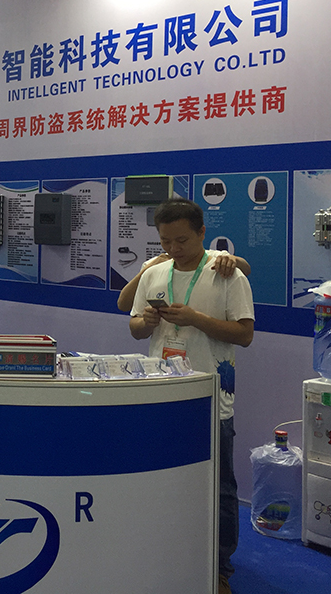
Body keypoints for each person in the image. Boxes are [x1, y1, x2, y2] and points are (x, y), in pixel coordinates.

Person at [128, 198, 254, 594]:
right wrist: (147, 322)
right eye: (165, 241)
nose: (173, 248)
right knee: (164, 480)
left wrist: (196, 319)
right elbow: (134, 328)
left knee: (220, 488)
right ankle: (167, 555)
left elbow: (245, 335)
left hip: (211, 399)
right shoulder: (154, 273)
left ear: (202, 233)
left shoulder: (228, 275)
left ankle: (220, 568)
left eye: (181, 240)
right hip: (162, 396)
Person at [117, 251, 252, 312]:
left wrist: (233, 260)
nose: (175, 247)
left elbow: (246, 269)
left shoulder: (213, 257)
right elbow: (123, 304)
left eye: (181, 240)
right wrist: (148, 269)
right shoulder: (156, 266)